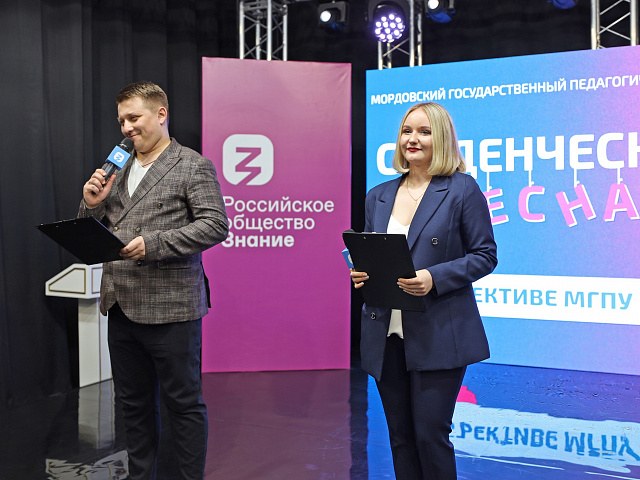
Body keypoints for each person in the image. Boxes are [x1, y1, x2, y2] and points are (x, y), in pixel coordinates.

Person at [79, 81, 228, 480]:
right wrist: (91, 205)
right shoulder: (117, 167)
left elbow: (215, 225)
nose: (126, 128)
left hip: (171, 309)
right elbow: (93, 231)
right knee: (133, 405)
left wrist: (155, 244)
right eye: (121, 121)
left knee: (183, 405)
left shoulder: (192, 164)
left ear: (161, 114)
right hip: (120, 305)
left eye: (134, 118)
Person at [350, 102, 497, 480]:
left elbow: (485, 255)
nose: (412, 139)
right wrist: (361, 273)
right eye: (406, 131)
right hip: (385, 332)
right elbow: (375, 254)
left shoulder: (462, 190)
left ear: (442, 138)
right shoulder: (378, 194)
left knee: (431, 436)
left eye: (424, 131)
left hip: (439, 331)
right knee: (400, 438)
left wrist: (434, 277)